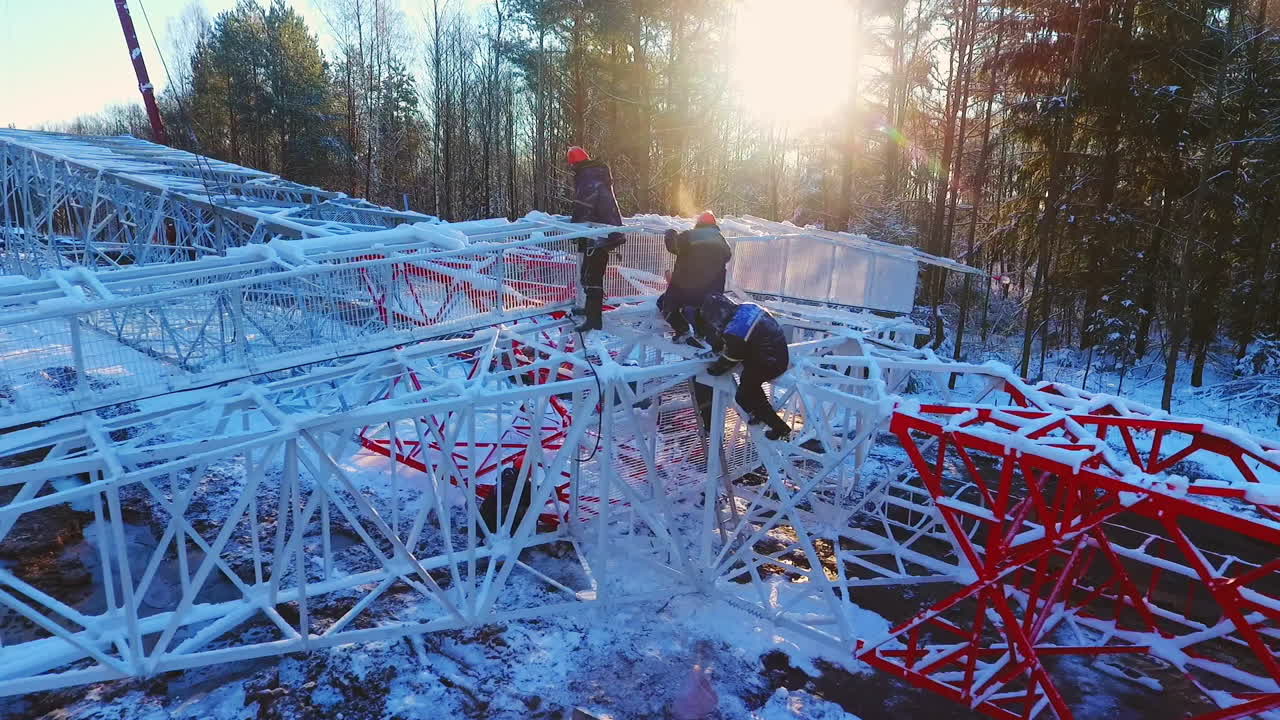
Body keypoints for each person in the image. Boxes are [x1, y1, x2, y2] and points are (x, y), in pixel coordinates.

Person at [694, 294, 792, 441]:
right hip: (779, 352)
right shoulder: (748, 307)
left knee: (743, 396)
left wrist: (716, 369)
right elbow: (731, 335)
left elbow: (731, 356)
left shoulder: (735, 332)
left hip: (769, 363)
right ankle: (758, 414)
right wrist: (717, 347)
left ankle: (779, 427)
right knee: (753, 389)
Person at [567, 146, 626, 333]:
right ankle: (589, 310)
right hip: (601, 231)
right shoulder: (594, 173)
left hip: (600, 233)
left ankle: (594, 319)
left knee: (592, 276)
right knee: (588, 274)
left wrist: (575, 229)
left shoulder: (588, 177)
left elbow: (584, 204)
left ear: (574, 163)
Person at [659, 211, 732, 339]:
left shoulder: (689, 236)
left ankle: (682, 330)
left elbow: (673, 246)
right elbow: (727, 256)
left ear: (698, 223)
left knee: (667, 305)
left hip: (685, 289)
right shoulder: (721, 240)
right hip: (711, 291)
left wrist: (670, 233)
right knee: (701, 310)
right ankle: (701, 334)